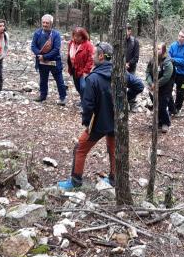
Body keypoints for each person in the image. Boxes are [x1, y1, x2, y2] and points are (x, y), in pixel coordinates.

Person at [58, 42, 143, 190]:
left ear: (101, 56)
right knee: (113, 150)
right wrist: (124, 98)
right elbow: (139, 85)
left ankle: (75, 181)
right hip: (116, 121)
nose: (92, 56)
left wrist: (86, 122)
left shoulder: (92, 78)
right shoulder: (120, 73)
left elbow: (88, 105)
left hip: (97, 123)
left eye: (94, 54)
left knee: (80, 149)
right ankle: (114, 180)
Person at [31, 14, 67, 105]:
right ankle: (43, 96)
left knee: (59, 80)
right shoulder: (37, 33)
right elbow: (33, 46)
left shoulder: (56, 35)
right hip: (41, 61)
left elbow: (56, 49)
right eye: (43, 22)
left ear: (51, 23)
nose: (45, 24)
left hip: (54, 61)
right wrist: (39, 54)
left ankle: (62, 98)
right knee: (43, 80)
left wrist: (45, 57)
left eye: (47, 23)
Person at [146, 43, 175, 133]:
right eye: (156, 48)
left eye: (158, 49)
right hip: (154, 87)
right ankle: (159, 121)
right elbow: (147, 72)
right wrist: (151, 83)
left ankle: (166, 123)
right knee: (156, 105)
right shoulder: (152, 60)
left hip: (166, 87)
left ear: (163, 50)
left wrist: (156, 84)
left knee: (162, 106)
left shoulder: (167, 62)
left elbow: (166, 77)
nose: (156, 50)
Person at [168, 29, 184, 117]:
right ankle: (171, 108)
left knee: (181, 91)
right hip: (172, 72)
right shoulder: (173, 45)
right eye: (179, 36)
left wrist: (173, 60)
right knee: (168, 89)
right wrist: (174, 60)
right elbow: (168, 57)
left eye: (182, 37)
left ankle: (177, 108)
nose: (180, 38)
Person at [67, 27, 95, 104]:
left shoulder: (88, 45)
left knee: (83, 87)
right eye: (74, 36)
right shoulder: (71, 44)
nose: (76, 38)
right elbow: (69, 56)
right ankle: (83, 100)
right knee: (77, 87)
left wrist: (86, 71)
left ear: (83, 36)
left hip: (84, 70)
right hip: (74, 69)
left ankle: (86, 103)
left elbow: (91, 59)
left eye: (78, 36)